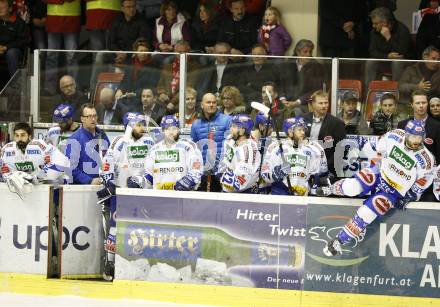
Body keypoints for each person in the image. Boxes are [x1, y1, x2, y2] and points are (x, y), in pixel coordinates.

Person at [323, 120, 435, 256]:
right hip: (379, 172)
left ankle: (339, 241)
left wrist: (409, 196)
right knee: (353, 187)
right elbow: (377, 147)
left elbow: (423, 181)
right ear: (406, 134)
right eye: (413, 136)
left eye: (420, 137)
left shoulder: (427, 159)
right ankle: (330, 189)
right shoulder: (394, 135)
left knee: (367, 213)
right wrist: (374, 164)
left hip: (393, 191)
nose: (417, 140)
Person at [97, 112, 155, 280]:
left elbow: (152, 167)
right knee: (114, 229)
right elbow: (106, 166)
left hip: (142, 193)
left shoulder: (149, 141)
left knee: (141, 229)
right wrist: (109, 183)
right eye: (138, 125)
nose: (142, 128)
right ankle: (110, 263)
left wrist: (143, 181)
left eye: (142, 124)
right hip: (120, 193)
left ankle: (140, 263)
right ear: (129, 126)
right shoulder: (118, 142)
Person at [132, 115, 203, 190]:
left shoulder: (188, 146)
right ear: (162, 130)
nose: (171, 132)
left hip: (182, 197)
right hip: (159, 196)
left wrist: (188, 181)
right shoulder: (154, 150)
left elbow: (196, 170)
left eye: (173, 128)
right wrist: (139, 181)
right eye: (167, 129)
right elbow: (149, 176)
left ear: (179, 129)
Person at [0, 122, 70, 199]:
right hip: (20, 193)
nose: (19, 138)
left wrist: (44, 175)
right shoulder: (7, 150)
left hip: (43, 189)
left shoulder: (40, 146)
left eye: (23, 135)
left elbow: (63, 161)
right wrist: (8, 176)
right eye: (17, 135)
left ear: (29, 136)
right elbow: (4, 172)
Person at [262, 117, 328, 196]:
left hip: (302, 196)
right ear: (290, 132)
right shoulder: (277, 150)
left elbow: (317, 174)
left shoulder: (310, 151)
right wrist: (274, 176)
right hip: (280, 195)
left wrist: (314, 185)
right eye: (299, 130)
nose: (303, 133)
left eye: (303, 130)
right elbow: (264, 176)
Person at [191, 92, 231, 192]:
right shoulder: (196, 124)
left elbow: (232, 145)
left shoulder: (227, 120)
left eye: (214, 102)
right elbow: (195, 149)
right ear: (202, 105)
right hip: (204, 172)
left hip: (223, 172)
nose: (211, 104)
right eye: (208, 102)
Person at [303, 90, 346, 181]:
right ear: (313, 104)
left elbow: (341, 149)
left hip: (327, 169)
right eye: (320, 103)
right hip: (303, 165)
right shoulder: (303, 119)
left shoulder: (336, 123)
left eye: (326, 103)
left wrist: (325, 166)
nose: (324, 106)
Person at [366, 7, 414, 85]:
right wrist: (387, 56)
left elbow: (401, 52)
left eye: (376, 23)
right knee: (370, 62)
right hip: (384, 60)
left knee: (397, 62)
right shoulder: (374, 32)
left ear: (384, 23)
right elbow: (372, 52)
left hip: (404, 63)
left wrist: (389, 38)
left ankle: (396, 90)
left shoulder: (402, 30)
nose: (373, 26)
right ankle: (369, 91)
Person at [281, 39, 329, 116]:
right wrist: (283, 99)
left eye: (310, 52)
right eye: (305, 51)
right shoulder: (288, 64)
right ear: (297, 52)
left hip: (305, 104)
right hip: (286, 102)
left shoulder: (317, 67)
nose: (308, 54)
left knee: (296, 112)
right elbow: (281, 84)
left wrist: (297, 102)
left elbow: (315, 91)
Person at [65, 103, 110, 185]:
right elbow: (71, 167)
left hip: (103, 184)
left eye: (95, 116)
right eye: (89, 116)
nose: (93, 119)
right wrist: (89, 180)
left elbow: (110, 158)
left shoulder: (102, 136)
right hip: (82, 188)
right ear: (82, 119)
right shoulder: (75, 139)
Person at [216, 114, 261, 193]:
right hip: (228, 186)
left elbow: (239, 182)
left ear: (242, 130)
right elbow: (227, 161)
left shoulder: (248, 150)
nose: (230, 129)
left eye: (233, 126)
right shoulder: (231, 140)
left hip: (243, 192)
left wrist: (222, 176)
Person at [44, 0, 81, 94]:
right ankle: (49, 89)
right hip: (54, 20)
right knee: (51, 56)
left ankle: (73, 89)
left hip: (71, 19)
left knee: (71, 57)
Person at [398, 89, 440, 163]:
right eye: (417, 103)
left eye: (423, 102)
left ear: (427, 104)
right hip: (407, 170)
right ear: (412, 105)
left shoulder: (437, 126)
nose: (421, 106)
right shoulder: (402, 125)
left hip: (430, 172)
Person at [109, 0, 152, 66]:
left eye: (133, 6)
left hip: (134, 53)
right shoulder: (116, 20)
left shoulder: (142, 20)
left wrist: (127, 53)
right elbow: (111, 42)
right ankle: (94, 77)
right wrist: (118, 52)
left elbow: (143, 42)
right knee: (100, 55)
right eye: (128, 7)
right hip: (118, 53)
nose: (132, 9)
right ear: (122, 8)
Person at [0, 0, 29, 78]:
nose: (0, 10)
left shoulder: (19, 22)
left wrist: (6, 47)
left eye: (2, 8)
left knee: (11, 53)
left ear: (10, 9)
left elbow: (24, 40)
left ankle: (16, 83)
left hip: (14, 50)